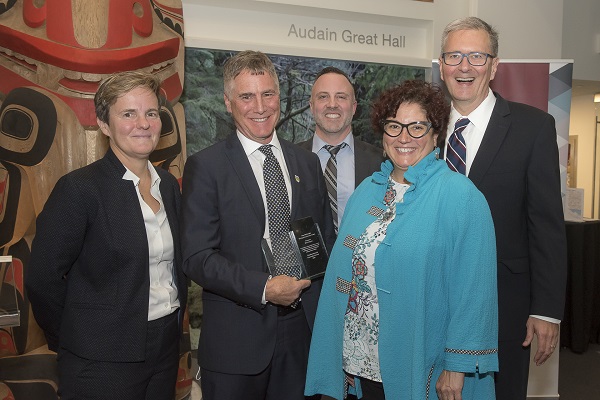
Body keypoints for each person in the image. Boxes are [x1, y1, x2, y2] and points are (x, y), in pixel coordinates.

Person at [305, 79, 498, 400]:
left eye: (417, 127)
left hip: (422, 361)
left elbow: (474, 292)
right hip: (359, 362)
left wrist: (457, 365)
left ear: (436, 134)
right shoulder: (366, 190)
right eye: (394, 126)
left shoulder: (461, 196)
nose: (404, 137)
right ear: (383, 134)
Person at [181, 50, 335, 400]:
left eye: (268, 94)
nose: (260, 106)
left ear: (278, 97)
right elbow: (197, 257)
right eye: (246, 96)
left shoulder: (307, 163)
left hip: (302, 333)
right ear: (228, 102)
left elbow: (323, 239)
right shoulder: (207, 168)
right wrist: (265, 287)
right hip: (237, 339)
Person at [26, 71, 187, 399]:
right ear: (103, 124)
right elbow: (43, 279)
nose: (143, 123)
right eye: (128, 114)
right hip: (100, 358)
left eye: (151, 113)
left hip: (165, 346)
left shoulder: (168, 186)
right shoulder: (80, 189)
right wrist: (74, 337)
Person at [439, 17, 568, 400]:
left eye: (477, 56)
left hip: (504, 309)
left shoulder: (533, 128)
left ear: (494, 66)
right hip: (430, 299)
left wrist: (546, 310)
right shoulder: (420, 130)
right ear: (442, 65)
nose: (465, 67)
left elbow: (546, 226)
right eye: (454, 56)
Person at [298, 67, 385, 233]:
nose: (332, 104)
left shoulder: (380, 162)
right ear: (312, 106)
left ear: (353, 107)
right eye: (323, 97)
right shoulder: (291, 160)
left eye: (341, 97)